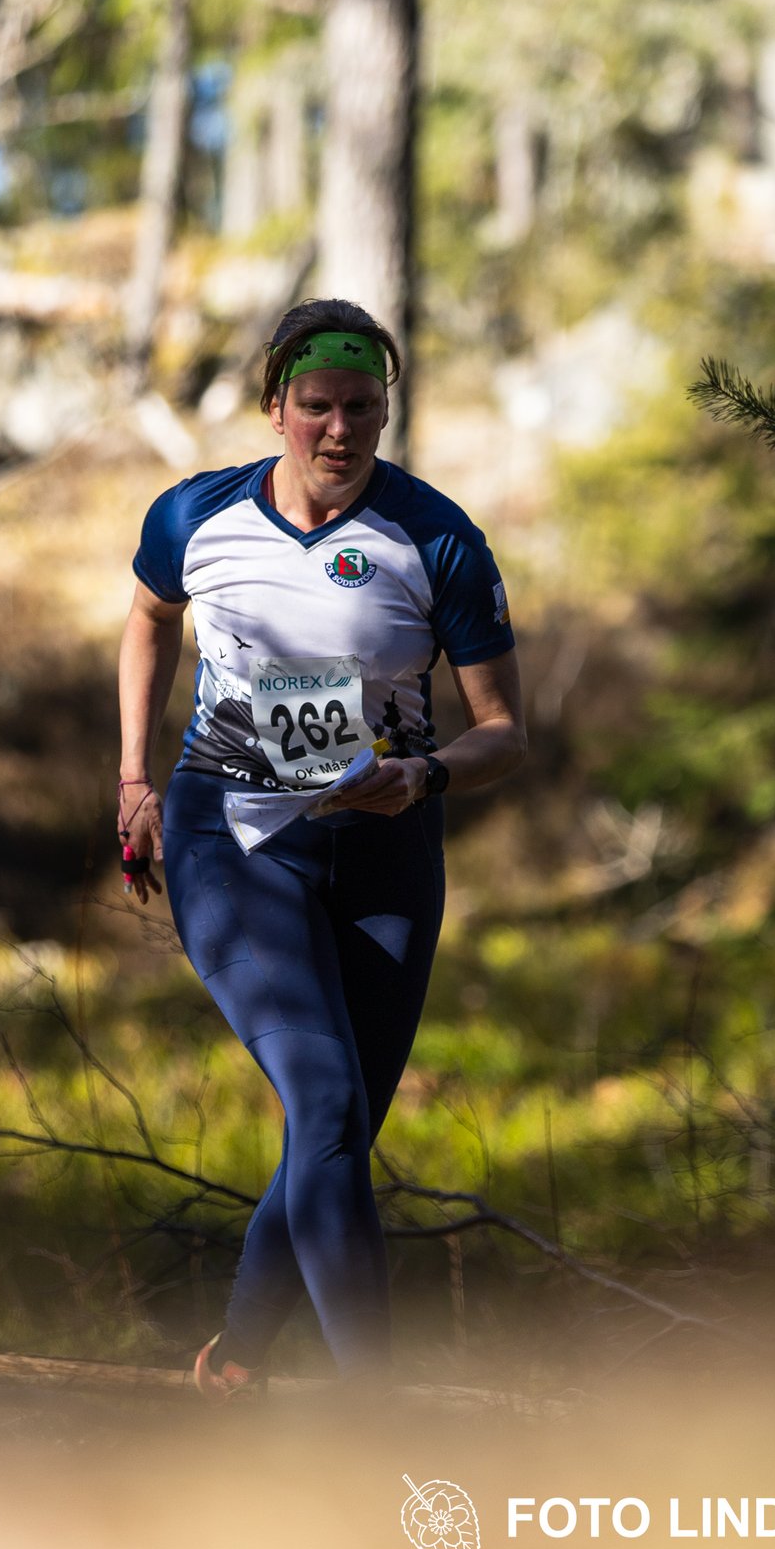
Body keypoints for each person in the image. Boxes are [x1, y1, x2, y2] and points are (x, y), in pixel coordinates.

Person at [114, 299, 526, 1395]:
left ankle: (237, 1360)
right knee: (328, 1105)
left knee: (332, 1133)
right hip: (232, 836)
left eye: (362, 408)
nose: (340, 430)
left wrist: (424, 773)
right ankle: (378, 1411)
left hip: (386, 847)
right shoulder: (195, 516)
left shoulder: (436, 538)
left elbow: (503, 730)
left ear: (386, 411)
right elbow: (150, 617)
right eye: (317, 407)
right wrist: (133, 777)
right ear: (274, 410)